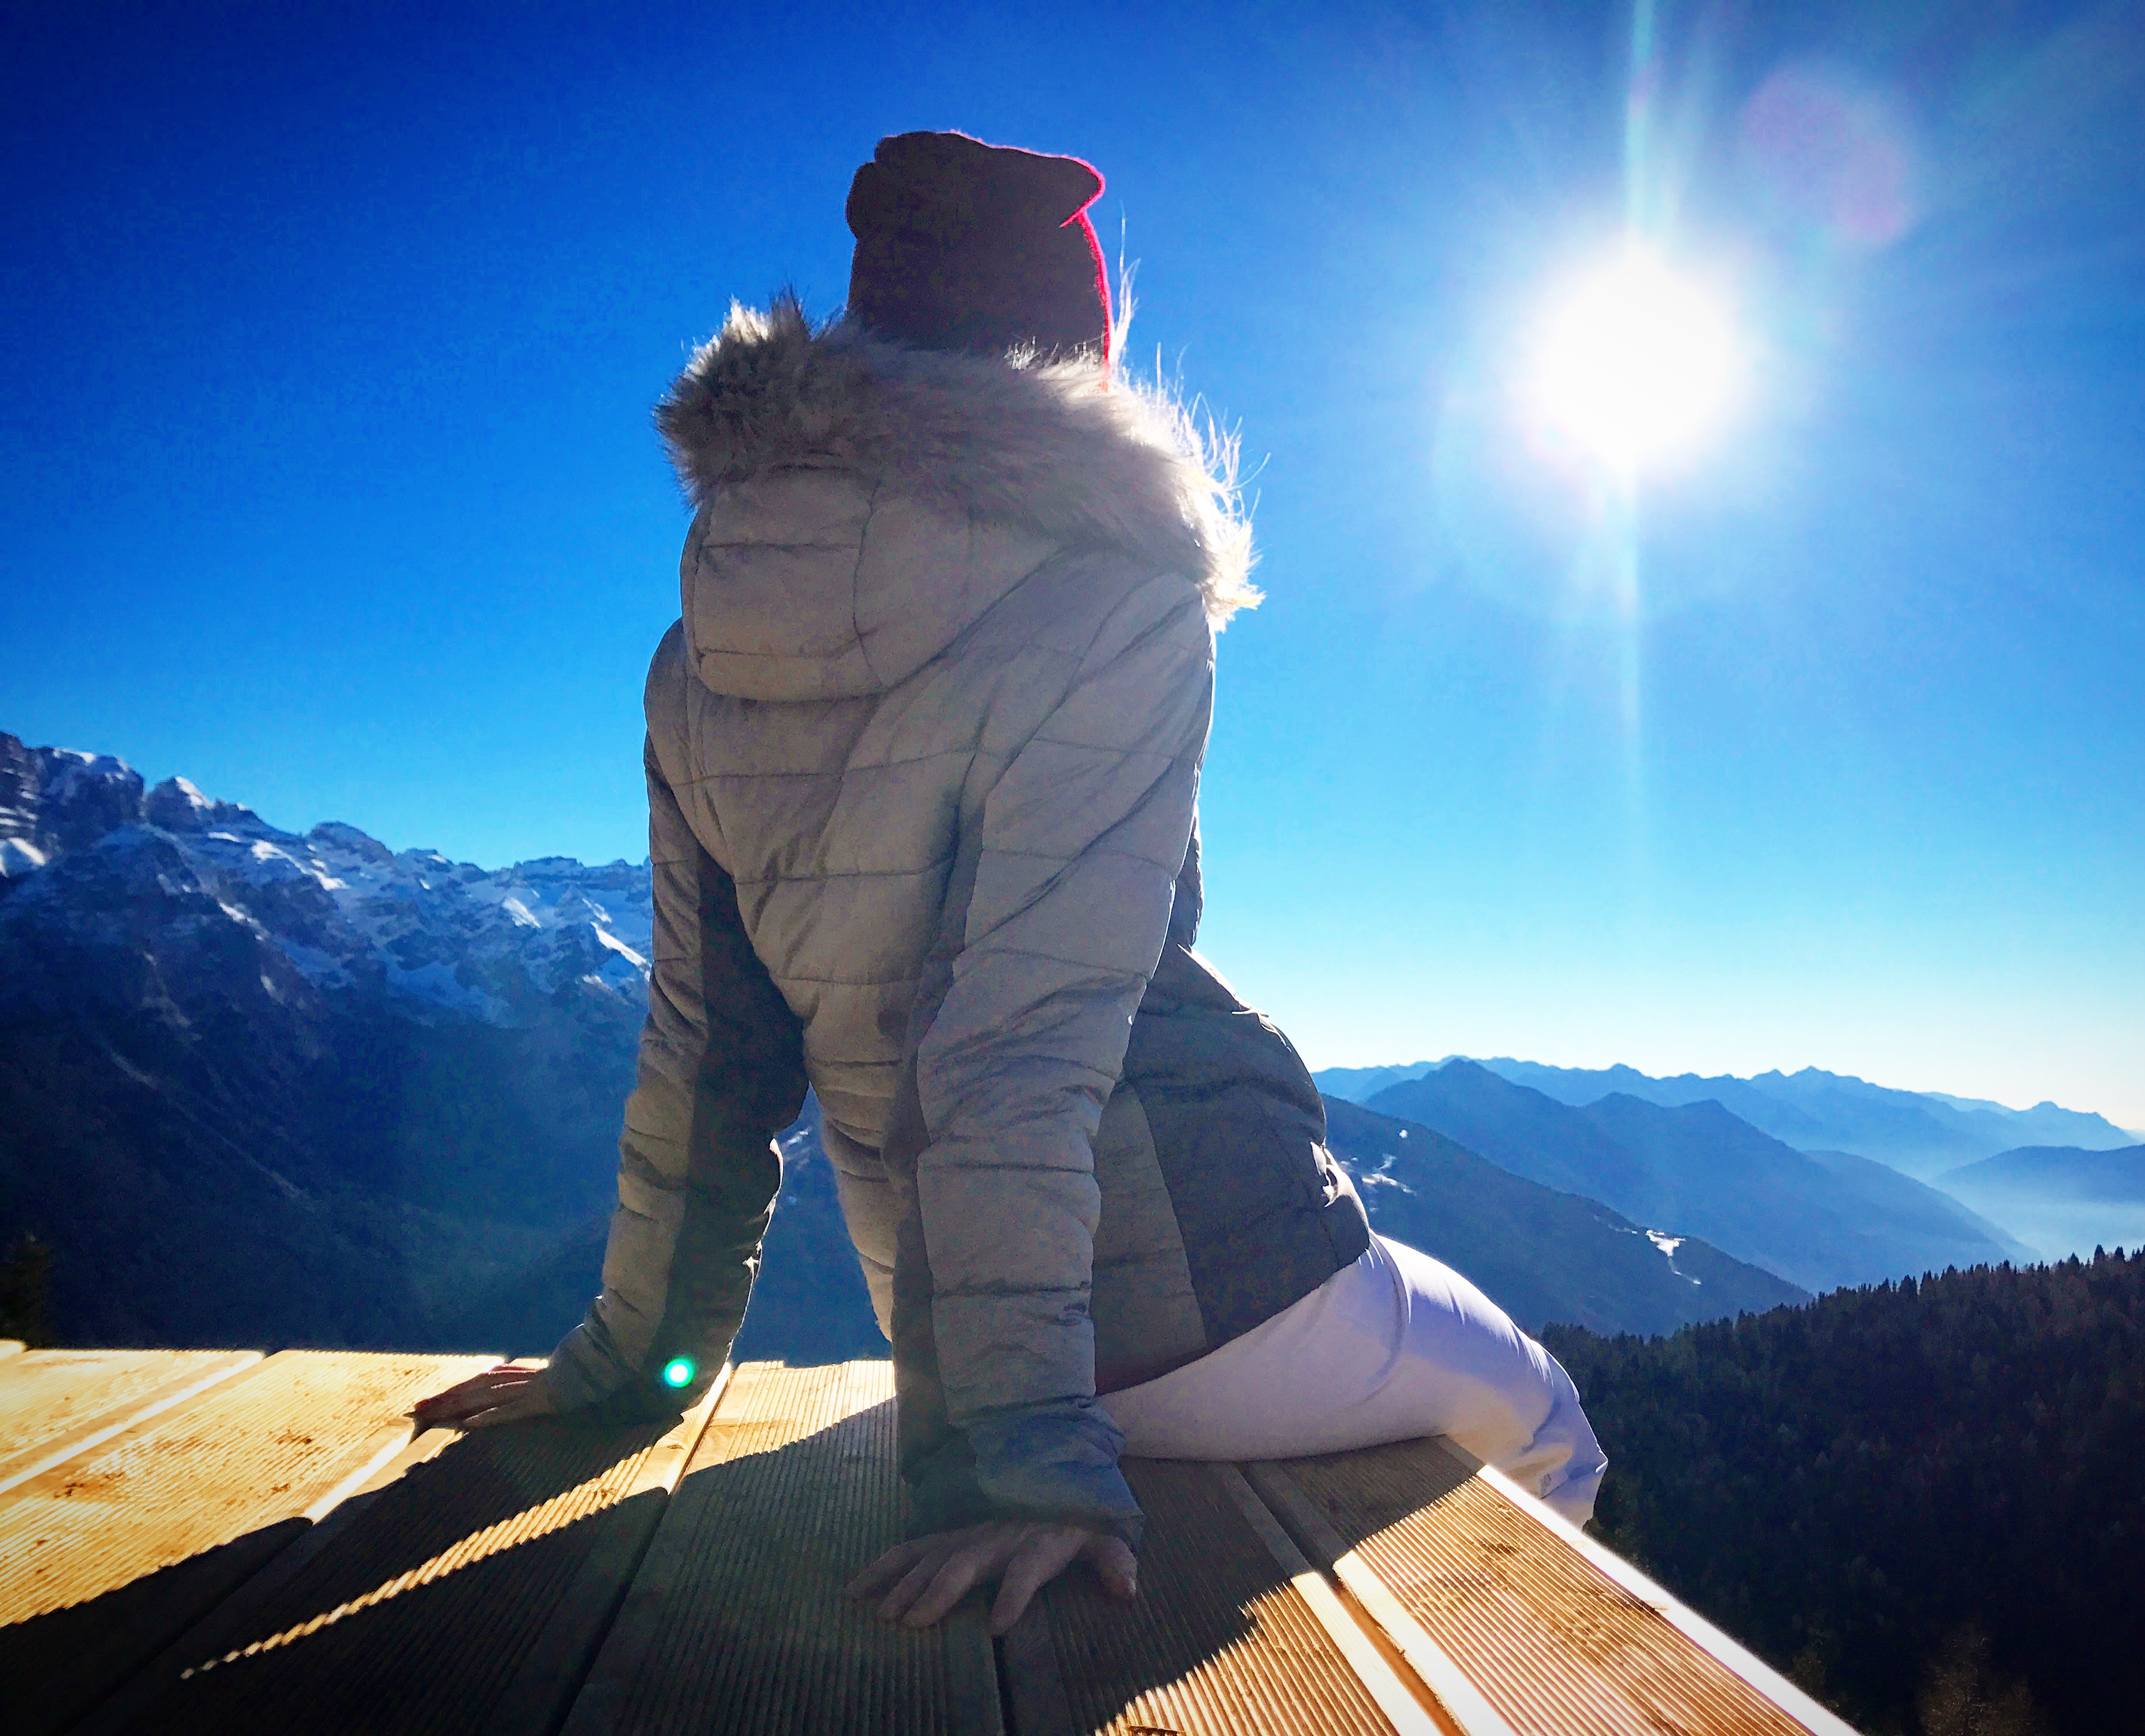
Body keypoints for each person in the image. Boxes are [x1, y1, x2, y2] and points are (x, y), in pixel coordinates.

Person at [414, 130, 1604, 1636]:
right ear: (1073, 360)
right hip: (1206, 1311)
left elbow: (711, 1057)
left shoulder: (698, 654)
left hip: (952, 1335)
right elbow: (1023, 1044)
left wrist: (627, 1364)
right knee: (1553, 1421)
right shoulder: (1118, 597)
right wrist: (1026, 1470)